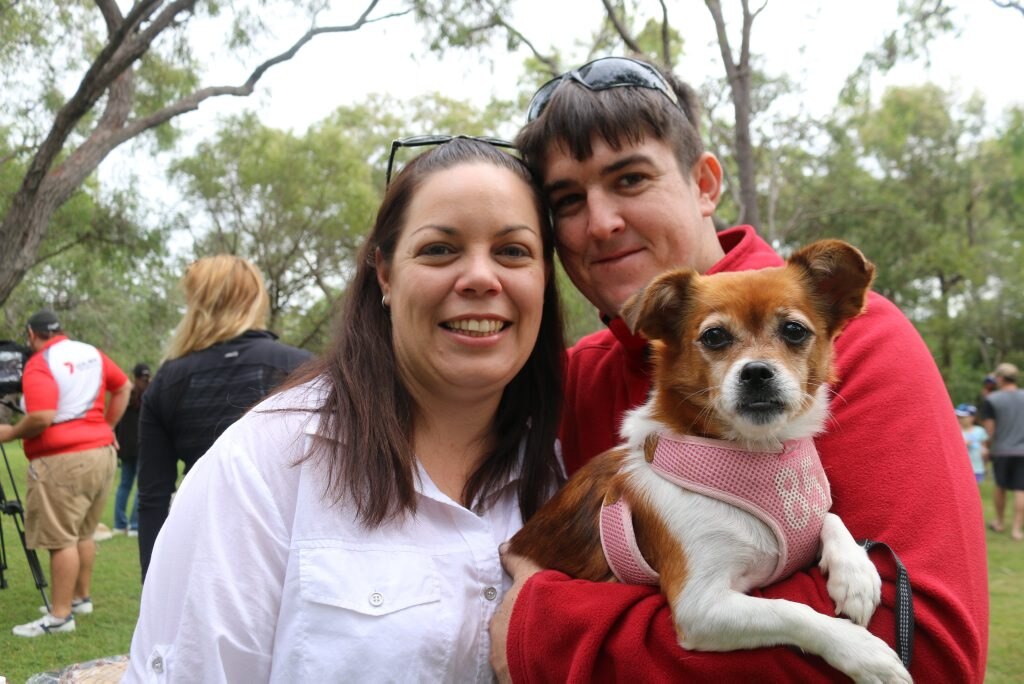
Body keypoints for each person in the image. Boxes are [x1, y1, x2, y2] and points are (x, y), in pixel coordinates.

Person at [489, 56, 989, 682]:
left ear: (705, 183)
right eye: (567, 200)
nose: (601, 222)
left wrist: (551, 631)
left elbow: (925, 648)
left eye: (631, 179)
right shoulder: (563, 381)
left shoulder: (866, 343)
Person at [125, 137, 566, 681]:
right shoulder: (265, 465)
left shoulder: (568, 470)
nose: (480, 276)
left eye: (513, 251)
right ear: (384, 273)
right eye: (439, 249)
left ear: (544, 277)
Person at [136, 255, 313, 580]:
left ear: (197, 302)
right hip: (293, 549)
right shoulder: (302, 369)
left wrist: (152, 582)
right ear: (256, 299)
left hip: (206, 554)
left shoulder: (168, 380)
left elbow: (153, 498)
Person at [0, 310, 131, 637]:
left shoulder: (40, 363)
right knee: (83, 532)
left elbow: (42, 416)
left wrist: (10, 432)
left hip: (63, 459)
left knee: (61, 539)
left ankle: (59, 617)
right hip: (101, 454)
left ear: (31, 334)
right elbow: (124, 386)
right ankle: (79, 599)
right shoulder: (91, 352)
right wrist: (108, 427)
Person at [980, 362, 1024, 540]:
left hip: (1002, 450)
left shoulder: (992, 399)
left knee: (1001, 486)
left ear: (999, 378)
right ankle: (1016, 530)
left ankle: (999, 522)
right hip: (1022, 451)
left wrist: (987, 447)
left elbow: (990, 430)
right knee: (1021, 489)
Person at [112, 363, 151, 536]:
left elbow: (117, 421)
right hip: (143, 446)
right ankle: (135, 525)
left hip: (126, 447)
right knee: (140, 486)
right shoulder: (150, 395)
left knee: (124, 485)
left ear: (133, 376)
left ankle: (119, 524)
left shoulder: (126, 395)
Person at [956, 403, 988, 483]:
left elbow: (984, 448)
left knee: (976, 492)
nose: (959, 419)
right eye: (958, 416)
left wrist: (985, 453)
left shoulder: (980, 431)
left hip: (976, 467)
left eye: (963, 417)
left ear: (972, 417)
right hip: (960, 468)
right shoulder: (956, 431)